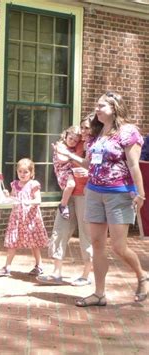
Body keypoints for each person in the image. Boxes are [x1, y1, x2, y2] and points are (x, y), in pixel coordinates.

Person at [57, 91, 147, 306]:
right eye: (97, 106)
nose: (96, 109)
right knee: (97, 244)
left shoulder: (128, 132)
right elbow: (90, 164)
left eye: (101, 106)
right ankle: (99, 293)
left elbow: (134, 165)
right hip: (94, 192)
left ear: (114, 108)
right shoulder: (98, 135)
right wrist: (69, 156)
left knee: (118, 246)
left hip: (119, 194)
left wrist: (141, 194)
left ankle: (142, 276)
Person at [37, 114, 94, 286]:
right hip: (69, 194)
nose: (83, 131)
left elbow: (104, 170)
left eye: (87, 128)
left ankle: (86, 275)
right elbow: (62, 154)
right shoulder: (76, 142)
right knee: (59, 230)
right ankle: (56, 273)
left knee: (87, 234)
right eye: (82, 127)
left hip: (85, 194)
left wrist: (89, 174)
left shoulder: (95, 145)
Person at [0, 158, 48, 277]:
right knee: (13, 241)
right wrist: (7, 195)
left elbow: (38, 200)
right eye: (20, 171)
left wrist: (29, 202)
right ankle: (7, 267)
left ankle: (39, 265)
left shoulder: (33, 184)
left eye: (25, 172)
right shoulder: (15, 184)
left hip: (30, 218)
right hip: (17, 218)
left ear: (31, 173)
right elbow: (13, 198)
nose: (22, 174)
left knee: (33, 242)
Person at [53, 126, 81, 219]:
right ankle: (63, 205)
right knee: (71, 185)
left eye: (75, 141)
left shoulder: (74, 148)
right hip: (63, 171)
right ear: (66, 136)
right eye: (70, 138)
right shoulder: (61, 145)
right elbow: (62, 159)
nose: (72, 141)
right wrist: (72, 157)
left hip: (70, 171)